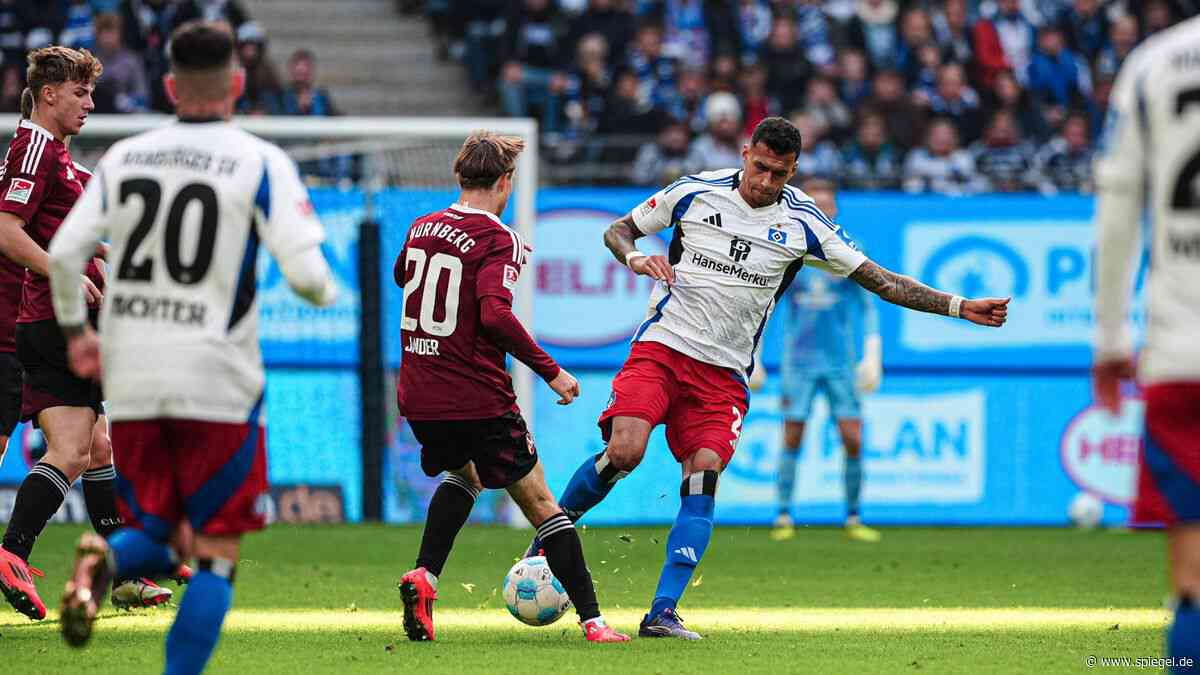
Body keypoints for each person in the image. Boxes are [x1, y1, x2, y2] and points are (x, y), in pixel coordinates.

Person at [527, 116, 1009, 640]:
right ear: (745, 153)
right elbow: (617, 230)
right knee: (625, 451)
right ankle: (550, 536)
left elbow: (883, 281)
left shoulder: (805, 224)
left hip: (724, 374)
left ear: (792, 170)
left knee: (703, 475)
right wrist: (636, 256)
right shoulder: (693, 192)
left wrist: (959, 306)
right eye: (759, 167)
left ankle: (662, 612)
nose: (765, 181)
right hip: (663, 348)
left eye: (778, 174)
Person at [47, 21, 337, 669]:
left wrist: (78, 334)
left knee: (159, 526)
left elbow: (65, 254)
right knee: (214, 555)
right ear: (236, 83)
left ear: (171, 87)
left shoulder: (125, 157)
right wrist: (323, 286)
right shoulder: (261, 160)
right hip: (216, 380)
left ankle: (105, 561)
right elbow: (309, 279)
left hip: (133, 378)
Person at [394, 131, 628, 644]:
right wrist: (551, 370)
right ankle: (594, 622)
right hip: (475, 394)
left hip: (419, 393)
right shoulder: (501, 239)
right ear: (505, 182)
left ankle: (425, 576)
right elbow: (494, 314)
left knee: (466, 475)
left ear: (459, 176)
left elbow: (401, 277)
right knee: (542, 503)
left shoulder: (420, 227)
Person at [0, 45, 179, 621]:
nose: (90, 104)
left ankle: (121, 574)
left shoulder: (53, 153)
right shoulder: (34, 146)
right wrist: (65, 270)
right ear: (48, 93)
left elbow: (53, 229)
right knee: (74, 449)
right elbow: (6, 229)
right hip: (47, 321)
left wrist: (100, 251)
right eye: (80, 92)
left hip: (46, 321)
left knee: (96, 446)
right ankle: (12, 554)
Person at [1092, 16, 1200, 672]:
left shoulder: (1155, 61)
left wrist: (1110, 337)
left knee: (1192, 580)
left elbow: (1117, 212)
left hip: (1181, 351)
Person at [769, 177, 882, 544]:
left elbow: (868, 303)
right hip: (798, 362)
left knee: (852, 437)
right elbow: (766, 303)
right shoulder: (788, 249)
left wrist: (872, 350)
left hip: (839, 363)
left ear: (834, 209)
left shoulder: (849, 249)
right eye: (814, 203)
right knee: (793, 434)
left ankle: (853, 515)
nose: (822, 209)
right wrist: (752, 354)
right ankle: (783, 514)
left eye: (827, 204)